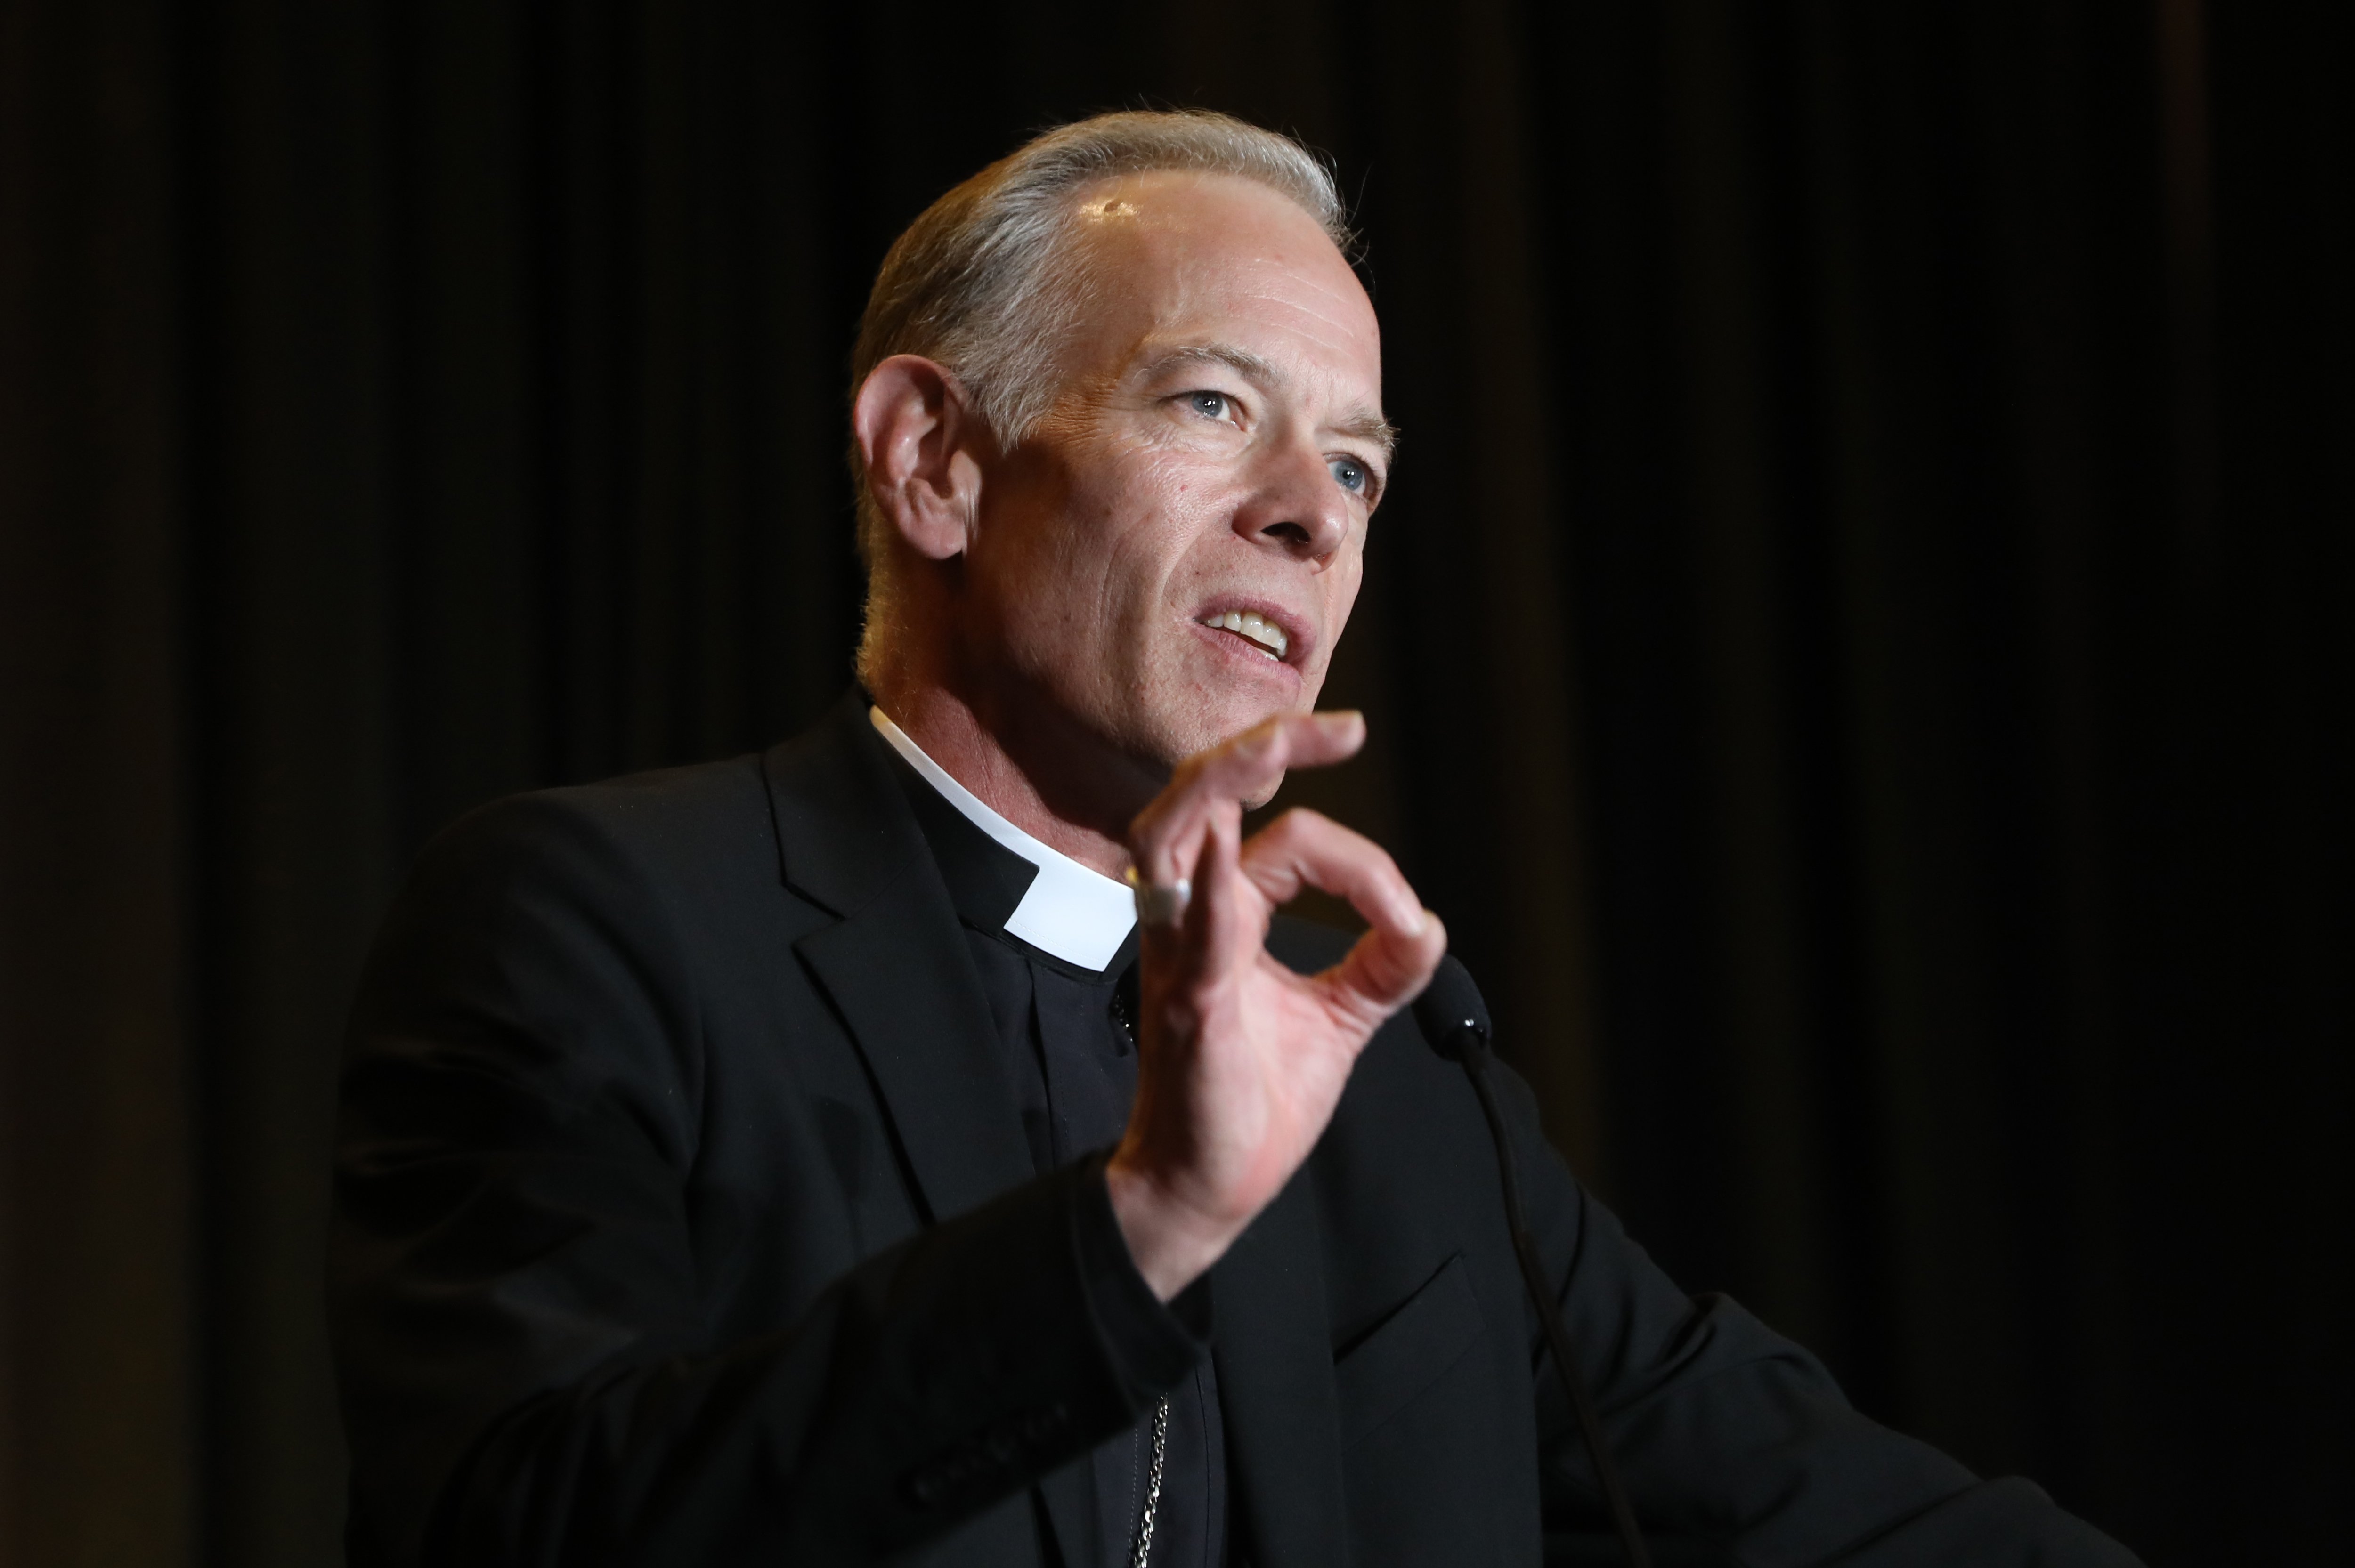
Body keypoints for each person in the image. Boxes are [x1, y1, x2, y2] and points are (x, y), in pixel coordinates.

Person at [328, 111, 2142, 1568]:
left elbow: (1808, 1495)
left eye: (1356, 469)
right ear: (934, 459)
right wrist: (1143, 1228)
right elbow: (526, 1519)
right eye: (1214, 406)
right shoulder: (605, 927)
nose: (1310, 516)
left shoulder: (1394, 1075)